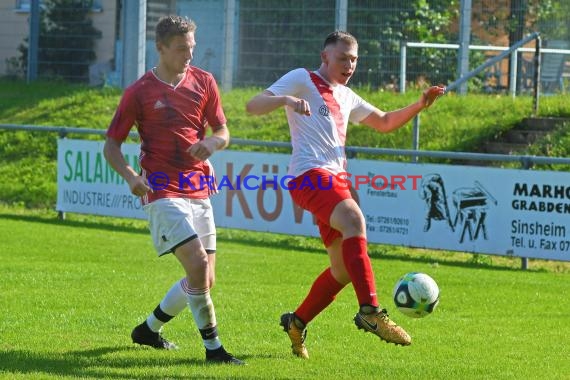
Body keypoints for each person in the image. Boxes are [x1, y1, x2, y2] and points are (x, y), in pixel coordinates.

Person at [245, 31, 445, 359]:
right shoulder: (302, 78)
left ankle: (297, 322)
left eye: (354, 59)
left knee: (341, 270)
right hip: (310, 176)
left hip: (335, 180)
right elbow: (253, 106)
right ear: (325, 57)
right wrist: (285, 100)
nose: (349, 65)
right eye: (343, 58)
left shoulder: (347, 95)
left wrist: (420, 104)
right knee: (354, 220)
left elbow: (383, 121)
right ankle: (370, 312)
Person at [103, 15, 243, 365]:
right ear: (161, 48)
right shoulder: (139, 92)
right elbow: (111, 146)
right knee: (195, 264)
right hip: (161, 189)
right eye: (181, 49)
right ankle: (214, 350)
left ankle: (148, 330)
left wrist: (212, 142)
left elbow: (224, 132)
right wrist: (131, 177)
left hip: (198, 187)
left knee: (204, 280)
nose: (189, 56)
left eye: (191, 48)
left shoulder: (205, 82)